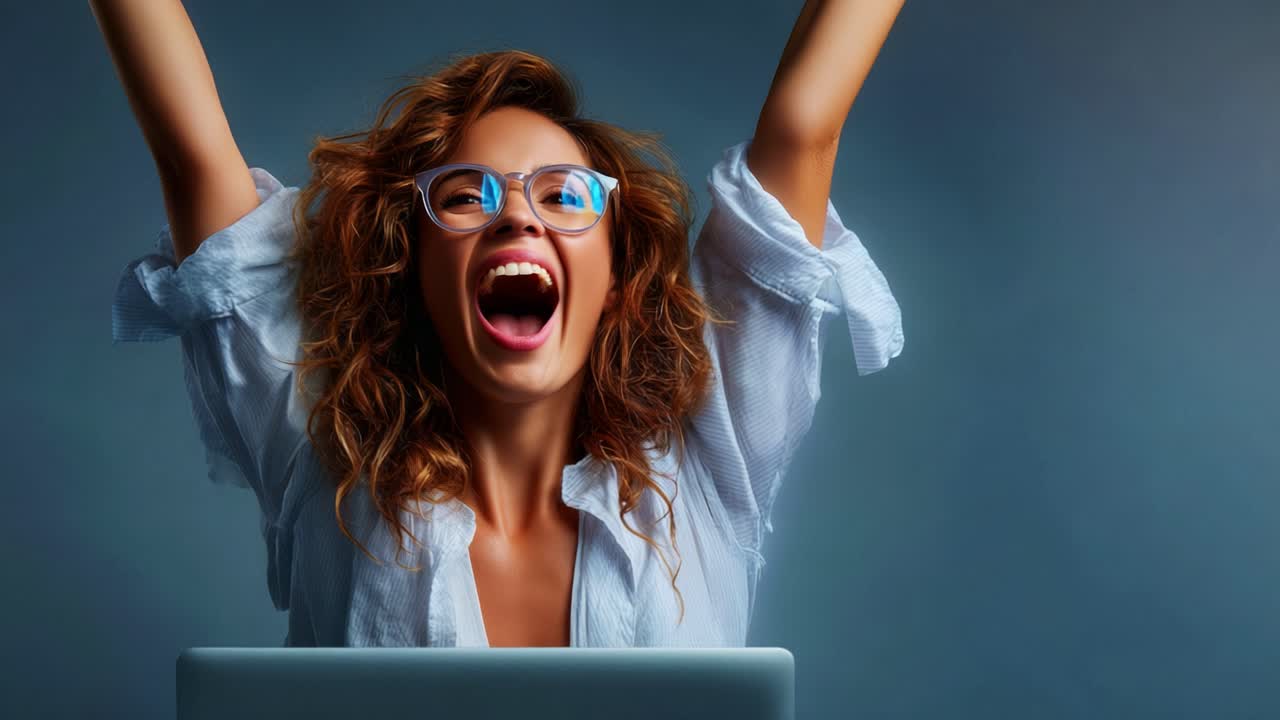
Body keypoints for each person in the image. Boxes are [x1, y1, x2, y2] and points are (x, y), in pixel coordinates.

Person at [96, 0, 906, 648]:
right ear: (413, 273)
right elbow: (191, 155)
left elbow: (804, 125)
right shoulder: (322, 464)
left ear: (616, 276)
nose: (517, 217)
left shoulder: (705, 465)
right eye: (464, 197)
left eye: (562, 195)